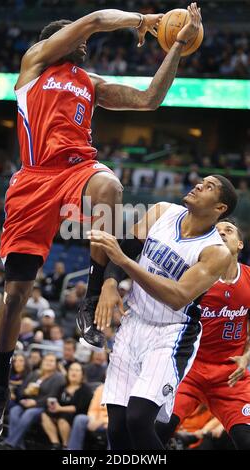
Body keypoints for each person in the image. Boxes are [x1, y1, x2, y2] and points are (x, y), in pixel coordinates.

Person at [0, 3, 202, 444]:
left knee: (110, 186)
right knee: (16, 294)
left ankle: (95, 291)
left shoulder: (89, 84)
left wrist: (175, 45)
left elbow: (149, 100)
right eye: (76, 39)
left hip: (78, 169)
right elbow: (96, 21)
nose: (85, 43)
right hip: (33, 179)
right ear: (57, 41)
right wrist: (145, 20)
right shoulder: (36, 64)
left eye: (82, 40)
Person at [88, 175, 237, 450]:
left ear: (220, 208)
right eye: (200, 182)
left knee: (139, 418)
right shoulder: (161, 211)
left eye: (209, 187)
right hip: (134, 323)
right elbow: (127, 249)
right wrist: (110, 281)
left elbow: (177, 296)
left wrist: (122, 261)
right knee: (117, 426)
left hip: (171, 333)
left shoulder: (216, 252)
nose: (197, 186)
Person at [155, 220, 250, 450]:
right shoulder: (194, 275)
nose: (222, 234)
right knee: (156, 432)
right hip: (188, 368)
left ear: (239, 244)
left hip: (230, 374)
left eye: (228, 230)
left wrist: (247, 356)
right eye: (216, 232)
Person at [41, 362, 92, 449]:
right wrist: (52, 406)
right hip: (59, 411)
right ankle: (55, 443)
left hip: (75, 415)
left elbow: (78, 407)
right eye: (71, 370)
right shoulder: (62, 387)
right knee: (44, 414)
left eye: (77, 370)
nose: (73, 372)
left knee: (63, 419)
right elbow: (55, 399)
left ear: (82, 374)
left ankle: (66, 445)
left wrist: (60, 408)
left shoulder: (85, 389)